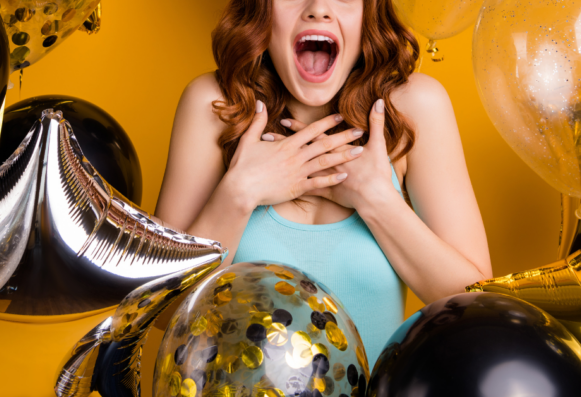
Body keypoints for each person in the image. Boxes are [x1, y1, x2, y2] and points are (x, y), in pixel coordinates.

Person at [155, 0, 492, 366]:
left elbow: (479, 307)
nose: (318, 8)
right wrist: (239, 193)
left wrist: (377, 200)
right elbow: (159, 313)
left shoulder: (414, 107)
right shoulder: (215, 105)